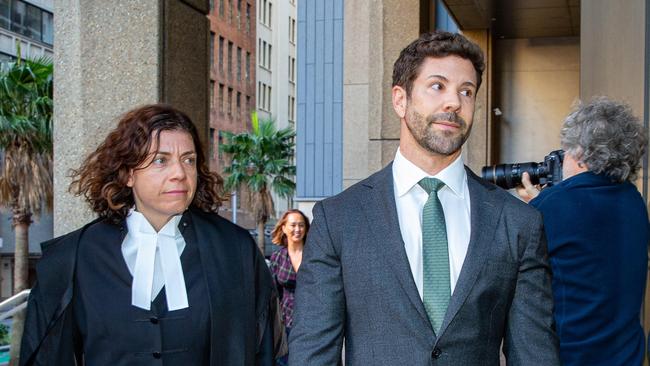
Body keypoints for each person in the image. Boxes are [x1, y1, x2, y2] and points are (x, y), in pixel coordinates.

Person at [289, 30, 560, 365]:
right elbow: (312, 353)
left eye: (467, 91)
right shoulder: (339, 218)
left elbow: (536, 354)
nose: (454, 102)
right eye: (438, 86)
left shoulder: (518, 222)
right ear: (400, 99)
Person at [19, 104, 278, 365]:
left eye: (188, 160)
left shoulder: (235, 250)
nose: (179, 174)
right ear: (128, 174)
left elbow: (262, 351)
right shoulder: (74, 256)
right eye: (161, 160)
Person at [516, 97, 649, 366]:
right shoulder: (634, 202)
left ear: (579, 153)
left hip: (573, 358)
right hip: (628, 357)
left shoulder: (552, 205)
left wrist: (537, 204)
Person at [269, 209, 310, 366]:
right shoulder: (277, 258)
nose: (297, 229)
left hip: (312, 321)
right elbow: (273, 296)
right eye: (293, 225)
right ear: (284, 228)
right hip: (286, 323)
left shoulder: (316, 255)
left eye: (301, 225)